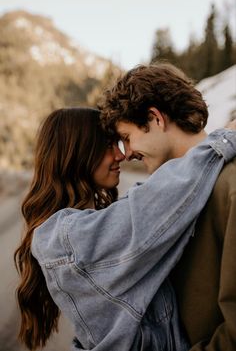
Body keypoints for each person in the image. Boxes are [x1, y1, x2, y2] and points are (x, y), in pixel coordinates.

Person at [14, 107, 236, 351]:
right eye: (108, 146)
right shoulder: (63, 237)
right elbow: (152, 205)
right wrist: (223, 138)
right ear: (78, 152)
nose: (120, 155)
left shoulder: (84, 224)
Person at [99, 62, 236, 350]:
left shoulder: (230, 186)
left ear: (155, 118)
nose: (127, 154)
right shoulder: (165, 196)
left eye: (127, 138)